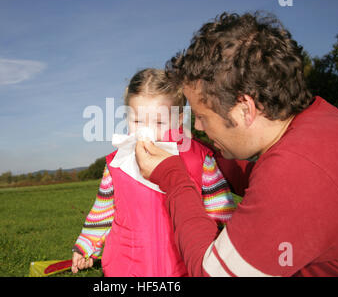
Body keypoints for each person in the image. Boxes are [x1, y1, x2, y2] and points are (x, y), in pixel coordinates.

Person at [135, 12, 338, 277]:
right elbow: (259, 176)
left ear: (245, 109)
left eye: (202, 116)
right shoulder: (322, 125)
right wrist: (203, 158)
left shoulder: (294, 173)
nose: (197, 127)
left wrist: (174, 176)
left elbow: (209, 274)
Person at [71, 68, 236, 276]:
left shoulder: (200, 158)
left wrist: (226, 252)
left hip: (183, 267)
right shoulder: (117, 163)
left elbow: (221, 212)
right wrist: (86, 246)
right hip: (126, 267)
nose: (146, 131)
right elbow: (102, 212)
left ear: (179, 119)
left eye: (159, 122)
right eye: (138, 121)